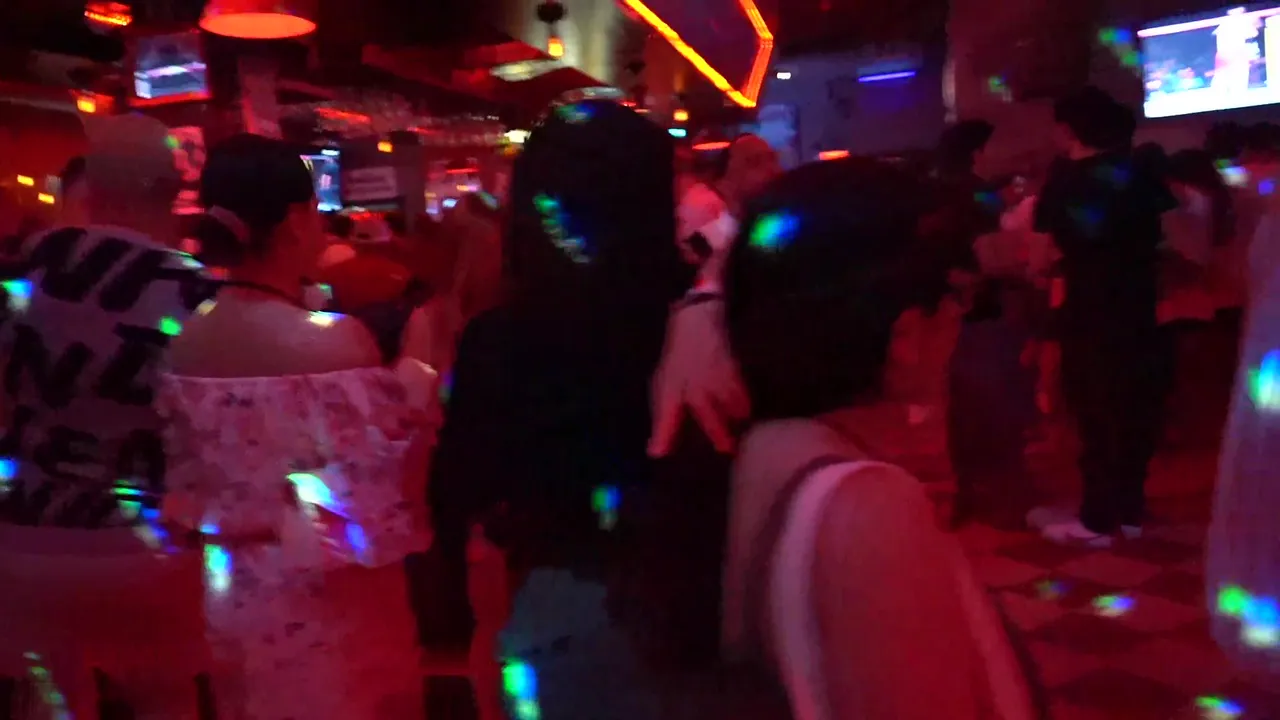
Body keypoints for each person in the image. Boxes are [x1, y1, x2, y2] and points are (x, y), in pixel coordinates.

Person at [719, 157, 1040, 719]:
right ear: (905, 335)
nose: (960, 321)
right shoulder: (868, 506)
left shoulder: (763, 445)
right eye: (957, 298)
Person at [159, 134, 438, 719]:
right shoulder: (333, 342)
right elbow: (379, 501)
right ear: (295, 220)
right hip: (327, 607)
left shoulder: (186, 342)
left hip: (233, 599)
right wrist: (420, 364)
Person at [0, 113, 218, 717]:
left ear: (89, 188)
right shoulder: (195, 293)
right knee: (165, 700)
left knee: (49, 703)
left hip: (23, 538)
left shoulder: (16, 275)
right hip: (146, 547)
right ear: (172, 193)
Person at [1029, 87, 1175, 546]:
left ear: (1068, 129)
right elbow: (1168, 234)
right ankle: (1130, 510)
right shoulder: (1140, 173)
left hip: (1090, 307)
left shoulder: (1066, 180)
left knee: (1095, 412)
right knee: (1135, 409)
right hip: (1141, 305)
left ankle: (1096, 520)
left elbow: (1042, 252)